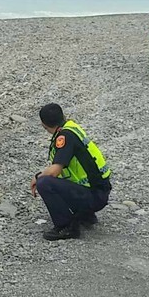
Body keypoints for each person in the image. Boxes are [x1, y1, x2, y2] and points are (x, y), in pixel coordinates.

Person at [30, 103, 112, 241]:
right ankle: (85, 215)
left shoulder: (64, 137)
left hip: (94, 196)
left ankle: (66, 227)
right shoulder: (71, 127)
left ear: (44, 124)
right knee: (54, 181)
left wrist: (37, 177)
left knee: (44, 183)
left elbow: (55, 170)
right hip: (99, 191)